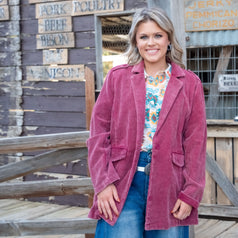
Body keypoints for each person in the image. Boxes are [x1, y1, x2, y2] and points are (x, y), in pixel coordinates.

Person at [87, 7, 207, 238]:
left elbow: (195, 142)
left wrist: (191, 192)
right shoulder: (117, 78)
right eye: (144, 37)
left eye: (157, 35)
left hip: (170, 183)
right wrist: (103, 182)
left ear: (169, 39)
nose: (151, 43)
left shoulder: (190, 84)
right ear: (135, 41)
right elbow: (98, 133)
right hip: (121, 180)